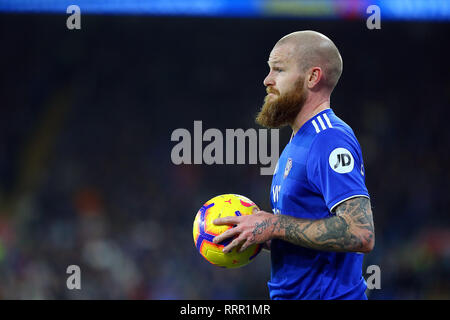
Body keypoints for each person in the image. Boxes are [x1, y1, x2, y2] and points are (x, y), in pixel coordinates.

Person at [213, 30, 375, 300]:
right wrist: (262, 234)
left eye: (278, 69)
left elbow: (360, 233)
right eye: (269, 70)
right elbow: (306, 228)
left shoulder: (328, 138)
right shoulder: (300, 139)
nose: (267, 80)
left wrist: (274, 225)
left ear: (312, 77)